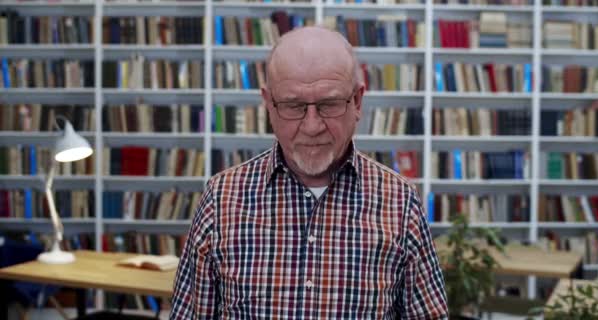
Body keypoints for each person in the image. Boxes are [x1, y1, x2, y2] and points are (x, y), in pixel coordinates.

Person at [170, 26, 448, 319]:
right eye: (293, 105)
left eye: (329, 104)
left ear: (357, 101)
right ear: (268, 104)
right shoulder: (221, 199)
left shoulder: (400, 202)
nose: (312, 126)